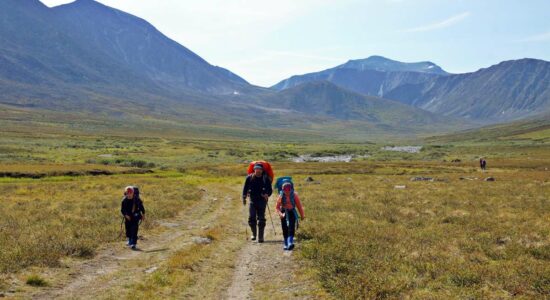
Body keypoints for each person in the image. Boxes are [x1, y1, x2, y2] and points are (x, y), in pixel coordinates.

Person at [242, 163, 272, 243]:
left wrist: (267, 194)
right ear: (254, 169)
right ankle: (254, 234)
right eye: (256, 169)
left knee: (261, 219)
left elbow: (270, 190)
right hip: (252, 200)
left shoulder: (266, 179)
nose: (258, 170)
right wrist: (244, 197)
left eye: (259, 169)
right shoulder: (249, 178)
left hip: (262, 201)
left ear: (262, 170)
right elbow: (245, 188)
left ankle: (261, 237)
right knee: (251, 218)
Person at [275, 182, 305, 250]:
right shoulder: (281, 196)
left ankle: (290, 243)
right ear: (282, 189)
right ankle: (285, 244)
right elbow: (277, 207)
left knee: (291, 227)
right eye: (285, 189)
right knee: (285, 228)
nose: (287, 191)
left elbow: (299, 206)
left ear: (291, 189)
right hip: (284, 213)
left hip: (292, 212)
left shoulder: (294, 195)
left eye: (289, 189)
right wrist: (280, 214)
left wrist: (302, 215)